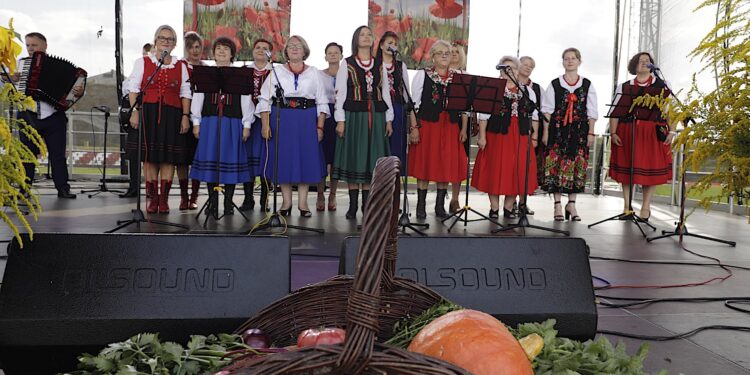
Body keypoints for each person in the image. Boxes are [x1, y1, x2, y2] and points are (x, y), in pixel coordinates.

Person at [257, 35, 328, 217]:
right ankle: (286, 202)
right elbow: (265, 100)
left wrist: (320, 127)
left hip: (306, 120)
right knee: (284, 159)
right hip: (282, 119)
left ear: (305, 51)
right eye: (291, 46)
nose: (295, 48)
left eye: (298, 46)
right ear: (286, 51)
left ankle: (303, 203)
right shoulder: (277, 72)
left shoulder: (314, 73)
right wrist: (265, 124)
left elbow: (322, 101)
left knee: (305, 159)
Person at [126, 25, 192, 214]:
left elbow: (185, 92)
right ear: (155, 40)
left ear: (175, 43)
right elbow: (134, 88)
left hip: (173, 114)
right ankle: (152, 199)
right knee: (149, 157)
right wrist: (135, 112)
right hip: (147, 111)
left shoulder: (181, 65)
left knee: (168, 157)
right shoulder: (142, 62)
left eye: (170, 39)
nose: (166, 41)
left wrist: (185, 117)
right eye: (162, 38)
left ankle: (163, 200)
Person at [332, 26, 393, 220]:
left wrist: (388, 119)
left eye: (369, 34)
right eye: (362, 34)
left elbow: (385, 93)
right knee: (354, 156)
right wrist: (340, 119)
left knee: (370, 159)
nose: (366, 37)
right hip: (353, 115)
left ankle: (367, 204)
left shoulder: (380, 64)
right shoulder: (347, 63)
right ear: (356, 39)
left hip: (375, 114)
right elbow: (340, 92)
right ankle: (352, 205)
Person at [189, 37, 253, 217]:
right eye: (218, 48)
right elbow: (198, 99)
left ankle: (228, 203)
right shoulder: (205, 74)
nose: (222, 51)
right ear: (213, 53)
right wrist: (196, 123)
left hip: (232, 122)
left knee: (229, 161)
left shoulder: (240, 75)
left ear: (232, 53)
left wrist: (246, 124)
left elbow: (246, 101)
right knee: (212, 163)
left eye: (226, 49)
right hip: (210, 122)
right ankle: (212, 202)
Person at [608, 52, 674, 222]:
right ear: (634, 65)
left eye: (647, 61)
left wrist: (672, 131)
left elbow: (671, 110)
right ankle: (626, 207)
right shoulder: (624, 86)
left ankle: (645, 207)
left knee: (649, 170)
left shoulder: (662, 85)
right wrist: (613, 132)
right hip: (627, 130)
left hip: (652, 132)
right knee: (627, 169)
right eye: (640, 61)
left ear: (652, 65)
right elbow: (616, 111)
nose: (644, 63)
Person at [16, 32, 83, 199]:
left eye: (34, 45)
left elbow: (74, 93)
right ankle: (23, 189)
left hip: (54, 116)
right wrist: (10, 80)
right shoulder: (21, 65)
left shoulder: (61, 67)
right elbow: (10, 89)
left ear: (45, 46)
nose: (30, 49)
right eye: (28, 45)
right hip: (28, 115)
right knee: (27, 155)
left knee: (58, 155)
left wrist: (78, 92)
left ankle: (63, 188)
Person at [471, 56, 538, 218]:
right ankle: (494, 208)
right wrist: (482, 136)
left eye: (513, 68)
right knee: (495, 169)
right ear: (500, 71)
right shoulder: (493, 89)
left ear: (517, 70)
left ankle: (509, 207)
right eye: (505, 69)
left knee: (516, 171)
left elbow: (534, 116)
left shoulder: (527, 90)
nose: (509, 72)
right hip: (497, 135)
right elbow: (484, 115)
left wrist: (534, 138)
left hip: (520, 136)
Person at [408, 40, 467, 219]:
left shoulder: (458, 77)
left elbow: (464, 107)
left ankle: (440, 206)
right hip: (427, 124)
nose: (443, 55)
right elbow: (413, 105)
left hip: (450, 126)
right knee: (425, 164)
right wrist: (414, 128)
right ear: (432, 56)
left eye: (447, 53)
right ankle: (420, 206)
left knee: (445, 165)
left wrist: (463, 129)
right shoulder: (422, 75)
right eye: (440, 52)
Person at [540, 47, 598, 221]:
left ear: (579, 61)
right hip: (557, 130)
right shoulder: (555, 84)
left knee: (577, 166)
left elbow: (592, 112)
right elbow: (547, 111)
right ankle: (557, 205)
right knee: (555, 165)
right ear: (563, 62)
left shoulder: (587, 84)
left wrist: (591, 133)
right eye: (566, 58)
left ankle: (571, 203)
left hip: (579, 131)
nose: (570, 61)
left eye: (573, 58)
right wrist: (545, 132)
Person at [239, 38, 273, 212]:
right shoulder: (244, 71)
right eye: (258, 47)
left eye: (265, 48)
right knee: (248, 158)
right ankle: (248, 198)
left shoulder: (276, 72)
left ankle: (265, 199)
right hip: (247, 119)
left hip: (266, 119)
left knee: (266, 158)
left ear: (270, 53)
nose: (261, 50)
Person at [120, 42, 152, 198]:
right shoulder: (137, 70)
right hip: (137, 115)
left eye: (149, 53)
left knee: (152, 156)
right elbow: (127, 89)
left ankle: (152, 191)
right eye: (144, 54)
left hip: (152, 115)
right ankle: (133, 188)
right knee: (134, 155)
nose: (146, 56)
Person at [376, 31, 410, 178]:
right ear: (382, 45)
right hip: (378, 108)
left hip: (397, 107)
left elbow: (406, 91)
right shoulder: (375, 64)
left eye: (395, 44)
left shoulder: (400, 66)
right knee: (379, 142)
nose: (393, 46)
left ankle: (395, 181)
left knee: (396, 144)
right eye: (390, 43)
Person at [315, 42, 343, 212]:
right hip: (324, 115)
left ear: (341, 55)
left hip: (341, 116)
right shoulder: (318, 74)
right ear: (325, 56)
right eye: (329, 53)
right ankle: (320, 193)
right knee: (322, 157)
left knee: (336, 158)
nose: (333, 55)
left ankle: (333, 194)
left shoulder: (347, 73)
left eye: (336, 52)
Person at [514, 55, 543, 215]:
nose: (527, 67)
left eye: (530, 66)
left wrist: (535, 136)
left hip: (527, 131)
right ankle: (509, 204)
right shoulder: (509, 84)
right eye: (524, 64)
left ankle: (523, 203)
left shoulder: (536, 89)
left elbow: (539, 113)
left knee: (525, 168)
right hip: (511, 131)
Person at [178, 31, 204, 210]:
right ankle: (183, 196)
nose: (194, 51)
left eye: (197, 47)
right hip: (181, 115)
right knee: (181, 159)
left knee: (197, 158)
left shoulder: (206, 68)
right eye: (191, 47)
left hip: (201, 117)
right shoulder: (180, 65)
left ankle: (194, 196)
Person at [448, 41, 470, 214]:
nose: (454, 54)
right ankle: (441, 197)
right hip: (442, 121)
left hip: (459, 123)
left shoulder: (465, 76)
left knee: (458, 163)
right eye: (451, 51)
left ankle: (455, 198)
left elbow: (466, 107)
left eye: (457, 52)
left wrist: (463, 128)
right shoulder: (440, 74)